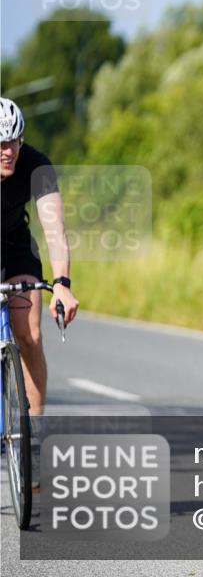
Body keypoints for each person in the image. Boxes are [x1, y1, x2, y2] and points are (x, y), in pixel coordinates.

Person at [0, 97, 80, 416]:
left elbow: (54, 229)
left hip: (16, 246)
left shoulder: (36, 165)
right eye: (1, 143)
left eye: (15, 141)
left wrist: (62, 284)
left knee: (30, 334)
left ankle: (33, 436)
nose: (9, 151)